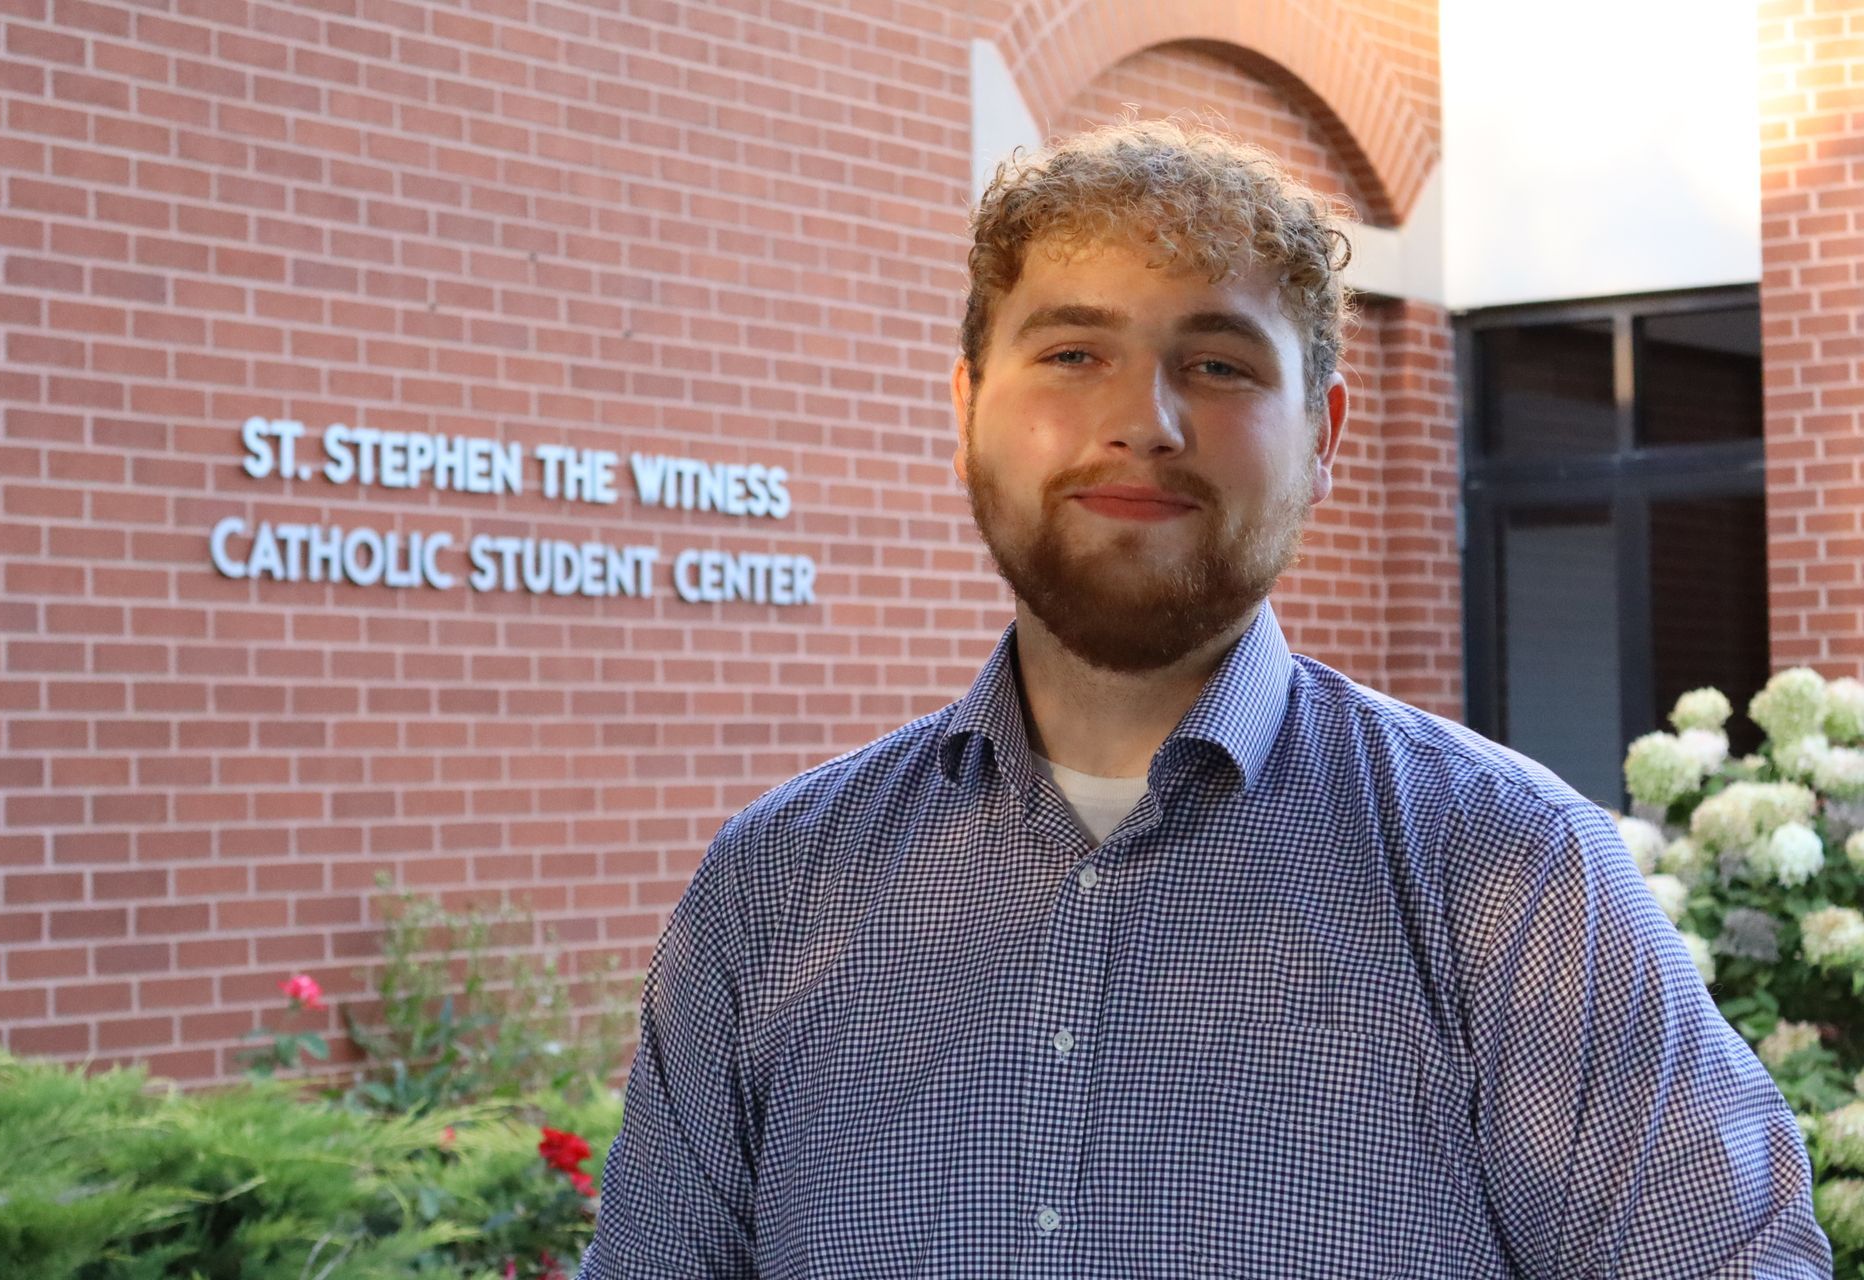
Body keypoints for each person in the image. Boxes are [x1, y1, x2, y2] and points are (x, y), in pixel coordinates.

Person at [579, 120, 1831, 1278]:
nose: (1144, 420)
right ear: (966, 413)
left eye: (1220, 363)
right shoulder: (771, 891)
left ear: (1325, 431)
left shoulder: (1505, 873)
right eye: (1074, 352)